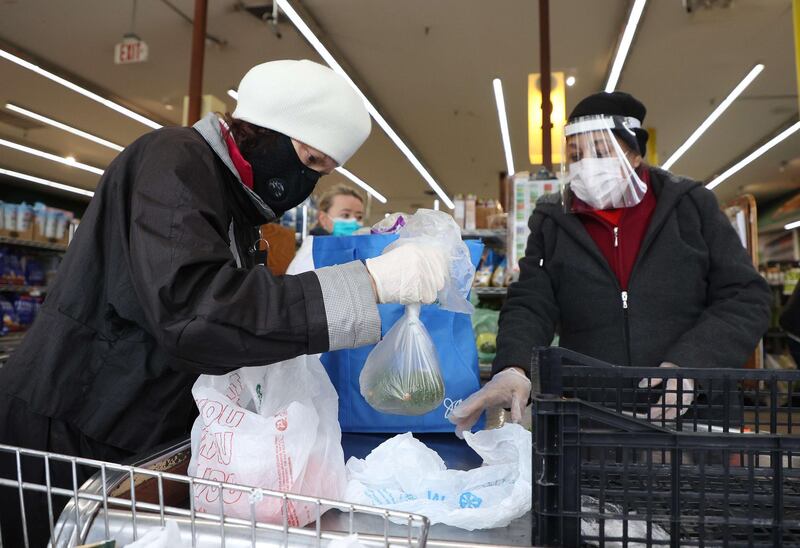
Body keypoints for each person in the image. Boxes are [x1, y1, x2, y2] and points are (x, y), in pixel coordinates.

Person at [0, 59, 448, 547]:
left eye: (325, 170)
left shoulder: (236, 206)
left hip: (135, 430)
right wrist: (368, 284)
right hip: (72, 425)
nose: (307, 182)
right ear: (266, 128)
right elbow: (196, 311)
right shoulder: (175, 164)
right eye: (312, 160)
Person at [449, 91, 771, 437]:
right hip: (593, 420)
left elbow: (745, 296)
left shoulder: (691, 207)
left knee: (694, 491)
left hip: (697, 418)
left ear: (634, 154)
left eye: (602, 151)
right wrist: (513, 366)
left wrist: (690, 365)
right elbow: (531, 301)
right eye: (576, 155)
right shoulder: (554, 220)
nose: (588, 165)